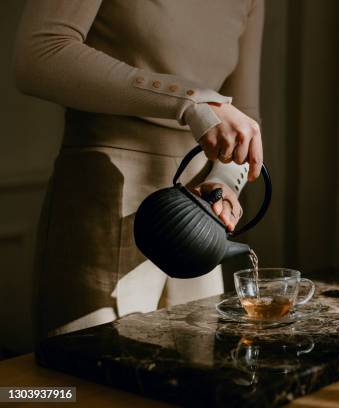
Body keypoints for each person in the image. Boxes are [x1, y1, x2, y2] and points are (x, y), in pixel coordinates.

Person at [14, 0, 264, 339]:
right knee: (87, 377)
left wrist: (224, 186)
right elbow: (39, 54)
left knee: (194, 379)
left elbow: (244, 116)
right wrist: (191, 100)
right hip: (100, 203)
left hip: (198, 223)